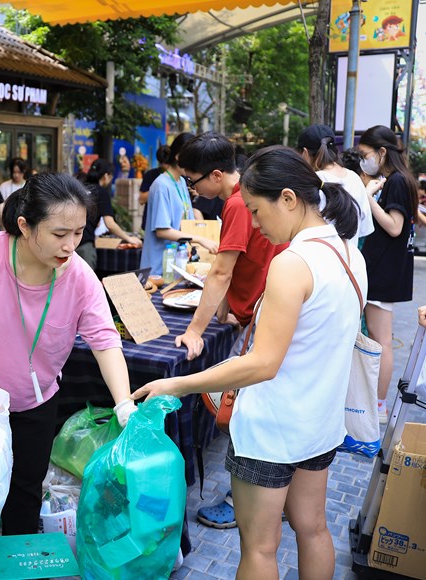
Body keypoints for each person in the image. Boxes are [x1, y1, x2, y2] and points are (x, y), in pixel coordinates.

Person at [134, 146, 366, 578]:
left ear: (288, 199)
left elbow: (263, 363)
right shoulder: (349, 254)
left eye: (257, 211)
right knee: (313, 528)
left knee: (259, 548)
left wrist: (178, 384)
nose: (255, 223)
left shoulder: (292, 263)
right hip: (319, 421)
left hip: (272, 427)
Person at [0, 173, 138, 579]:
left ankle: (16, 564)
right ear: (24, 225)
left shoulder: (79, 276)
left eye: (78, 232)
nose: (70, 245)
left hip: (35, 401)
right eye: (59, 233)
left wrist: (124, 401)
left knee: (24, 488)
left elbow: (105, 340)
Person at [174, 132, 287, 530]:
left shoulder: (238, 203)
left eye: (193, 181)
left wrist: (195, 330)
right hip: (256, 311)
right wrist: (223, 307)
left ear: (217, 175)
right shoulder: (244, 199)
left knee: (250, 413)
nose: (193, 189)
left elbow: (222, 270)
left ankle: (243, 501)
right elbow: (237, 264)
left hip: (260, 317)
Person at [358, 125, 419, 423]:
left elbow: (395, 227)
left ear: (382, 152)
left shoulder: (395, 181)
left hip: (383, 270)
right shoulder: (401, 179)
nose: (364, 159)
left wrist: (367, 196)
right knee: (381, 337)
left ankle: (379, 405)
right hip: (387, 268)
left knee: (381, 339)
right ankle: (377, 403)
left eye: (365, 153)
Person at [141, 133, 218, 275]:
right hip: (159, 268)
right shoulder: (161, 185)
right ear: (178, 157)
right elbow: (162, 230)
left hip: (177, 265)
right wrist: (200, 239)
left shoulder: (182, 182)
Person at [297, 124, 373, 245]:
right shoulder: (354, 178)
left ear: (305, 153)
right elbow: (364, 229)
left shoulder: (312, 181)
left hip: (317, 254)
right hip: (349, 255)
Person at [75, 158, 142, 270]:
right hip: (84, 244)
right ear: (106, 176)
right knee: (86, 279)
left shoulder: (80, 187)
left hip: (69, 242)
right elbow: (110, 224)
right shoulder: (101, 192)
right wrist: (129, 238)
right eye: (111, 177)